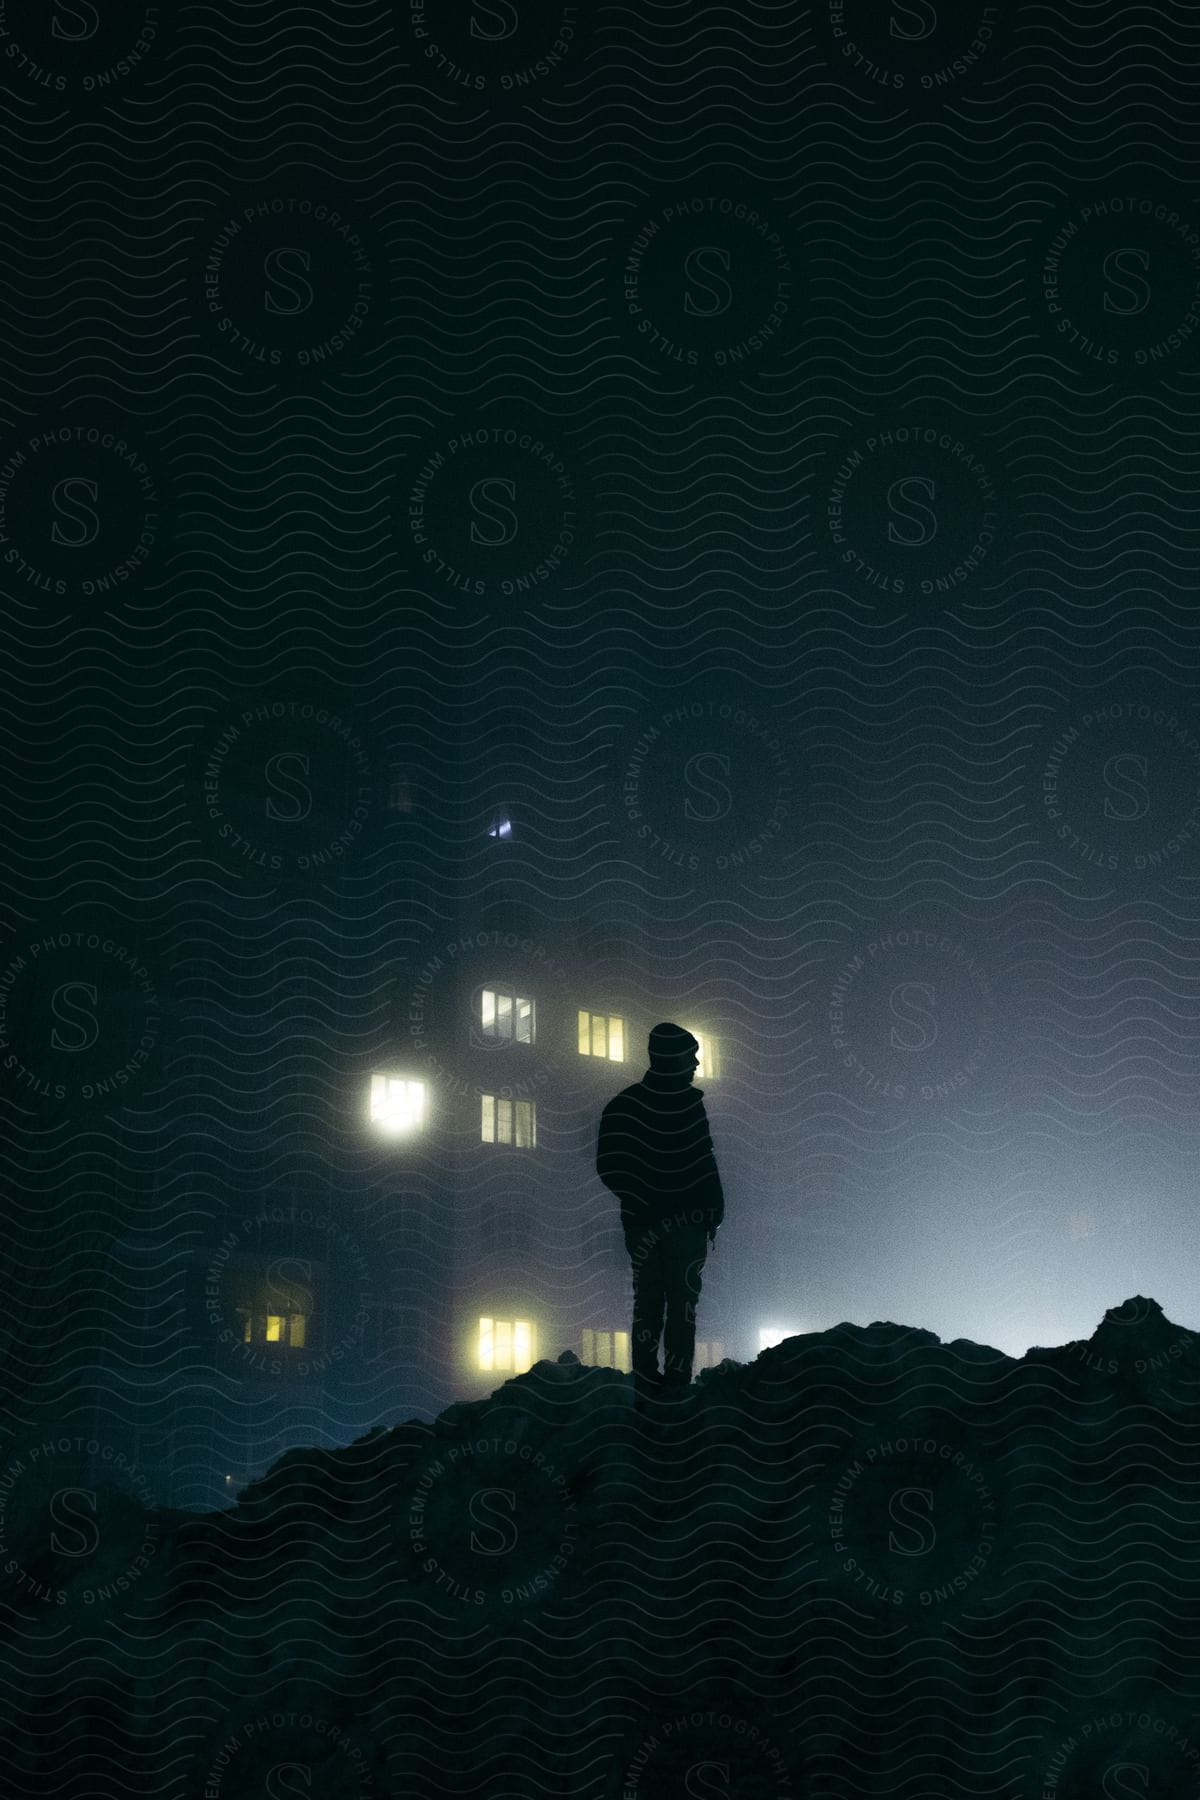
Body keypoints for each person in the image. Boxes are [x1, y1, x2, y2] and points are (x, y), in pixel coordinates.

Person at [595, 1022, 724, 1409]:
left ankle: (652, 1387)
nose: (697, 1063)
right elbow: (704, 1162)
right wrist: (707, 1209)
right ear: (673, 1058)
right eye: (691, 1054)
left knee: (653, 1303)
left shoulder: (628, 1104)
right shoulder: (677, 1104)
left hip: (653, 1222)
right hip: (675, 1222)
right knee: (674, 1303)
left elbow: (611, 1164)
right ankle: (669, 1386)